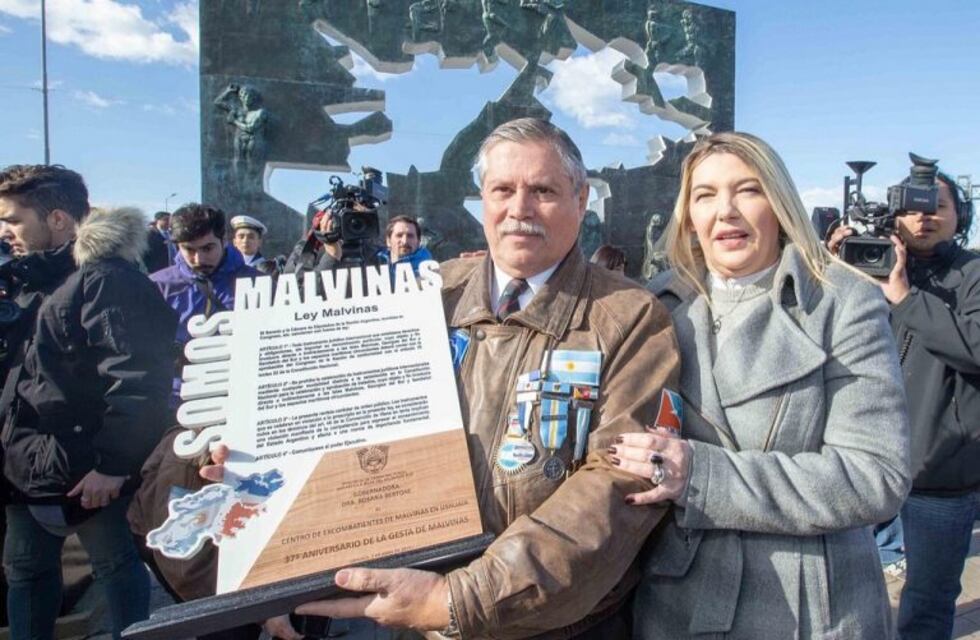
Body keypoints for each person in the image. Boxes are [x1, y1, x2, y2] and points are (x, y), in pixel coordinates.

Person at [205, 117, 681, 639]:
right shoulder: (420, 295)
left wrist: (459, 598)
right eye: (503, 189)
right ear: (482, 198)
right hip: (411, 619)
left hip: (554, 625)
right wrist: (282, 564)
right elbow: (346, 433)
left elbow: (619, 486)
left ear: (581, 197)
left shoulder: (629, 317)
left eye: (542, 190)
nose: (519, 209)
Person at [619, 132, 910, 638]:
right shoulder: (654, 307)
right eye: (705, 195)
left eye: (747, 190)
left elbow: (876, 476)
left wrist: (702, 477)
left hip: (811, 609)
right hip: (677, 603)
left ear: (779, 202)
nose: (725, 211)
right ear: (688, 215)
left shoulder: (844, 303)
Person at [0, 165, 176, 640]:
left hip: (87, 469)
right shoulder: (25, 277)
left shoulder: (106, 280)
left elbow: (141, 378)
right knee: (26, 573)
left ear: (57, 219)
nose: (5, 231)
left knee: (115, 568)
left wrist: (113, 465)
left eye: (13, 220)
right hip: (23, 462)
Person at [828, 170, 979, 639]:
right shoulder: (865, 263)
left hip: (941, 469)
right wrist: (830, 268)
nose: (924, 217)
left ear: (960, 216)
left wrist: (904, 297)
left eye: (937, 206)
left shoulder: (972, 273)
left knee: (928, 600)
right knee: (837, 585)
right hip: (862, 456)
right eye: (912, 207)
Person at [150, 204, 260, 408]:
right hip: (177, 402)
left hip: (239, 398)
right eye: (188, 249)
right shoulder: (158, 286)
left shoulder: (259, 283)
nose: (198, 259)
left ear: (224, 241)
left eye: (207, 248)